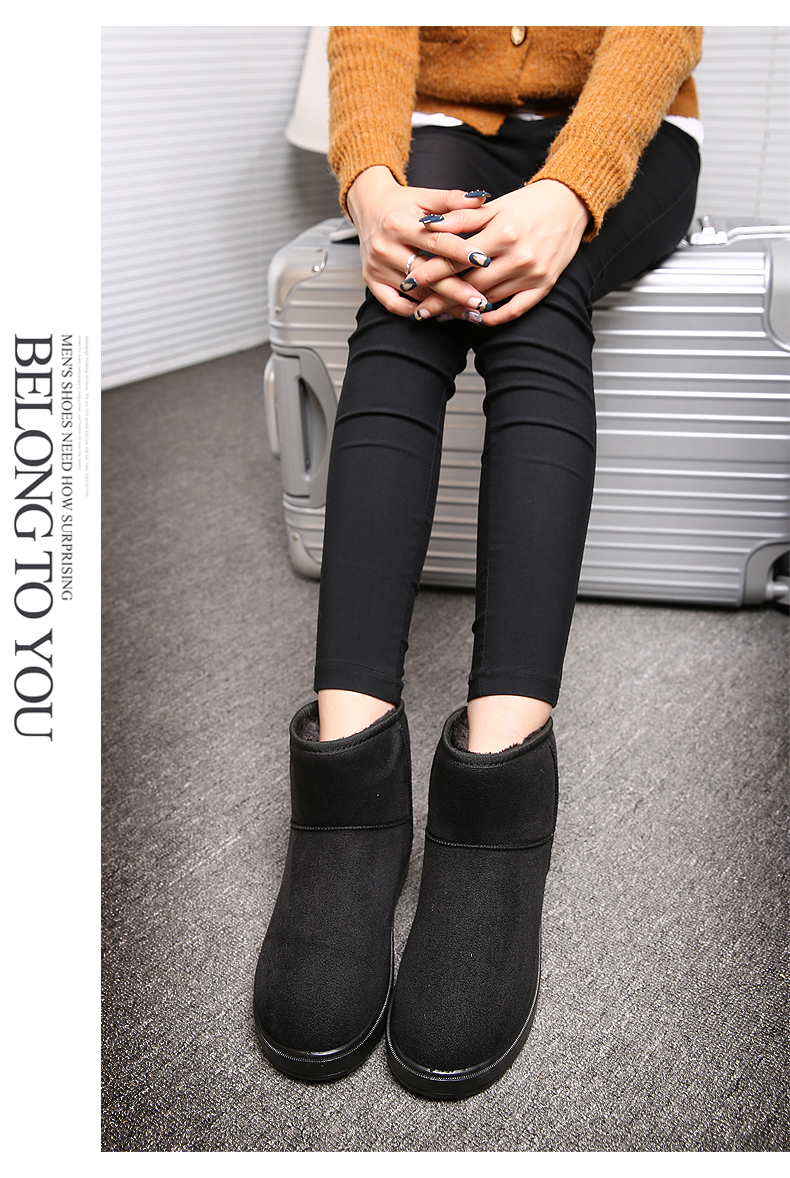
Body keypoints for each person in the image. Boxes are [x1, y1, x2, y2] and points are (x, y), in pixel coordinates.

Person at [254, 26, 703, 1099]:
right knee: (406, 300)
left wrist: (570, 195)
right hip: (444, 130)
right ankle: (348, 784)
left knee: (536, 300)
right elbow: (370, 33)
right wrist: (370, 188)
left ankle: (498, 790)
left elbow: (658, 28)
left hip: (631, 140)